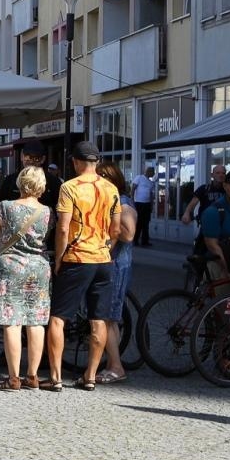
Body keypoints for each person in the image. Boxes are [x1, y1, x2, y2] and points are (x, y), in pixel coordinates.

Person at [47, 141, 119, 391]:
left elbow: (63, 227)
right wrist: (106, 249)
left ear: (76, 162)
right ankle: (90, 375)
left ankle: (55, 378)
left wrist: (59, 258)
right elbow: (116, 229)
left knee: (58, 317)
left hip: (77, 258)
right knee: (98, 319)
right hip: (102, 259)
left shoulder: (69, 187)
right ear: (97, 162)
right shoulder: (111, 189)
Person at [0, 165, 52, 391]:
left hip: (10, 265)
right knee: (36, 321)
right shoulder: (47, 212)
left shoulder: (5, 207)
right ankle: (32, 376)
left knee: (12, 321)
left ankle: (13, 378)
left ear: (20, 183)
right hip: (39, 267)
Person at [95, 161, 137, 384]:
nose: (101, 181)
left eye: (106, 177)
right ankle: (111, 362)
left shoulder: (123, 201)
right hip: (106, 263)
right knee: (104, 316)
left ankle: (116, 366)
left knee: (108, 318)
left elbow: (128, 234)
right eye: (99, 176)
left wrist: (109, 216)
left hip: (116, 265)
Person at [20, 140, 60, 209]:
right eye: (28, 157)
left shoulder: (54, 182)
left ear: (43, 159)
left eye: (36, 158)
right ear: (22, 157)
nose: (31, 161)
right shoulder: (10, 180)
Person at [131, 165, 155, 247]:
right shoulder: (139, 178)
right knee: (139, 223)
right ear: (149, 171)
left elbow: (151, 195)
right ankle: (135, 240)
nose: (154, 173)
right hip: (139, 203)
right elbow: (133, 188)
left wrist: (152, 205)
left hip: (147, 204)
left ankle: (145, 241)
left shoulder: (151, 182)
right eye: (153, 172)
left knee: (146, 223)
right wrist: (132, 200)